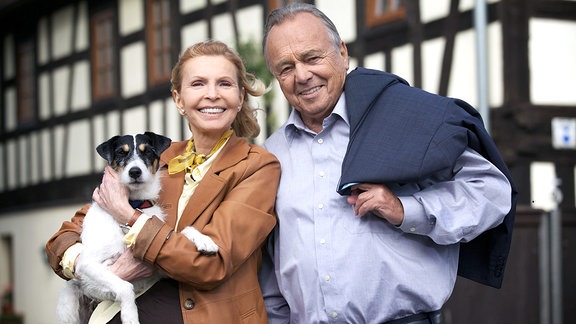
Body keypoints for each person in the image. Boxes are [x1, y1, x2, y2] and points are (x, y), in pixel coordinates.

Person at [258, 3, 517, 324]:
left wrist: (406, 210)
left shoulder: (404, 116)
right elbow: (272, 261)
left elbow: (491, 193)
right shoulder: (272, 154)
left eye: (312, 57)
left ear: (341, 52)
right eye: (285, 68)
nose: (302, 75)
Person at [46, 40, 280, 323]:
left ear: (240, 96)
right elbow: (66, 236)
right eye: (198, 84)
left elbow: (211, 264)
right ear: (179, 99)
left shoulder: (257, 166)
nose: (212, 94)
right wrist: (98, 271)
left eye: (225, 84)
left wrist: (128, 215)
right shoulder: (153, 160)